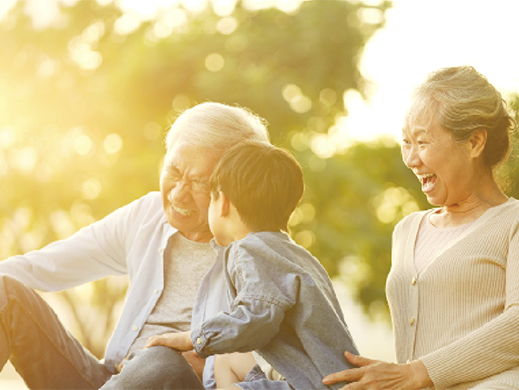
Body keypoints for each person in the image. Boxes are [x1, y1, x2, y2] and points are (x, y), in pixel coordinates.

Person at [0, 102, 270, 390]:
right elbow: (43, 267)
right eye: (174, 171)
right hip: (109, 380)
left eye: (200, 183)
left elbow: (306, 339)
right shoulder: (147, 215)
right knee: (4, 290)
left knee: (161, 360)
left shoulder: (260, 255)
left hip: (177, 380)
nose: (179, 194)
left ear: (234, 188)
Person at [323, 65, 519, 390]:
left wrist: (418, 372)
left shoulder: (513, 223)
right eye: (405, 142)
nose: (411, 159)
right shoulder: (407, 230)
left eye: (422, 142)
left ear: (474, 142)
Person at [146, 140, 359, 390]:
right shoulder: (297, 255)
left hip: (308, 384)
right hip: (326, 378)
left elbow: (256, 319)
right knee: (224, 360)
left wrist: (193, 338)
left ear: (222, 202)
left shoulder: (247, 249)